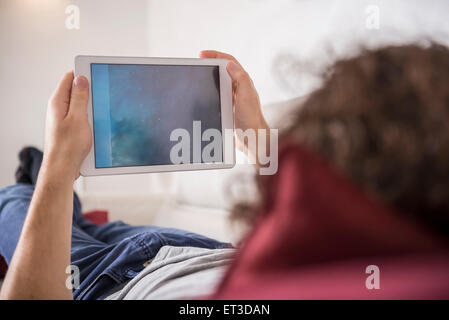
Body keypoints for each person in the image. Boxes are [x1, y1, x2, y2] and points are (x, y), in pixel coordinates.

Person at [1, 44, 449, 299]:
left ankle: (41, 173)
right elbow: (310, 211)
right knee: (88, 219)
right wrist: (256, 135)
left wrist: (60, 171)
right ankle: (54, 182)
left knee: (14, 199)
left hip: (116, 275)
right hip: (202, 249)